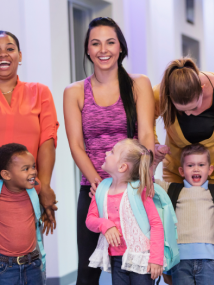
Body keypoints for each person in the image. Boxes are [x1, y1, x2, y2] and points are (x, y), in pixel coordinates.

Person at [64, 17, 155, 285]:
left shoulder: (139, 84)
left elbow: (147, 134)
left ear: (121, 48)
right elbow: (76, 146)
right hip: (93, 189)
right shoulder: (75, 91)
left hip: (134, 188)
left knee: (136, 267)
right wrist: (98, 184)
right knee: (88, 271)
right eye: (96, 43)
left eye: (110, 42)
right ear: (88, 50)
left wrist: (145, 176)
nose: (103, 49)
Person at [153, 58, 214, 283]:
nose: (191, 115)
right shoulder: (161, 93)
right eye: (182, 111)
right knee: (175, 236)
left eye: (194, 107)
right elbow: (142, 120)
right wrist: (154, 146)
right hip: (177, 171)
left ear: (202, 88)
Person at [155, 144, 214, 285]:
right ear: (181, 170)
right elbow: (148, 182)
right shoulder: (170, 190)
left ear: (210, 170)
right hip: (180, 260)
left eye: (201, 164)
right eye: (190, 165)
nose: (196, 168)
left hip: (209, 260)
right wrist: (155, 161)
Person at [0, 30, 58, 235]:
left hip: (29, 189)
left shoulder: (39, 92)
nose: (3, 54)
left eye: (10, 49)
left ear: (20, 55)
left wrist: (45, 187)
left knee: (26, 256)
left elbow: (47, 141)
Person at [86, 139, 164, 284]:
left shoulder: (140, 191)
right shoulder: (101, 189)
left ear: (122, 167)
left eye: (112, 152)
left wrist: (156, 259)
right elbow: (90, 220)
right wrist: (105, 225)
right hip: (117, 259)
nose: (106, 152)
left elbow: (156, 224)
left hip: (142, 258)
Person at [0, 143, 53, 285]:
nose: (33, 172)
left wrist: (48, 210)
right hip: (4, 267)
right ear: (6, 174)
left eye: (33, 166)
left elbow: (45, 199)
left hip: (33, 264)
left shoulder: (35, 188)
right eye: (26, 169)